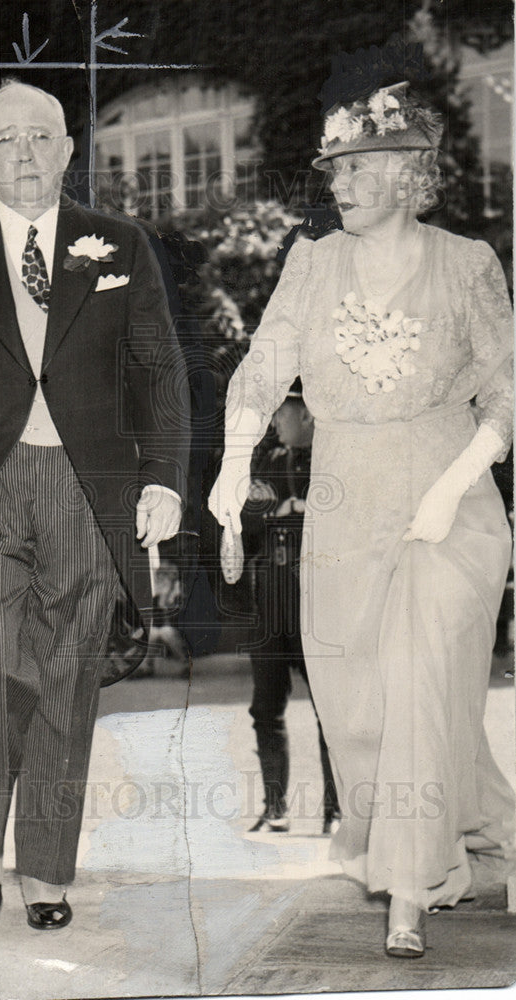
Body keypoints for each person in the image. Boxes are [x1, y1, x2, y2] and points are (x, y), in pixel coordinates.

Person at [209, 81, 514, 959]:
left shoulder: (466, 264)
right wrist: (232, 461)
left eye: (354, 168)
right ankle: (489, 824)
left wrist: (451, 483)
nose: (336, 184)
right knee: (361, 712)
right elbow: (264, 368)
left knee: (420, 680)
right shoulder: (311, 263)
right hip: (345, 502)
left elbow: (504, 391)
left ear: (405, 174)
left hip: (443, 497)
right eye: (332, 170)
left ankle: (411, 891)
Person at [0, 81, 189, 929]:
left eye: (39, 137)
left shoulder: (119, 243)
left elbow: (159, 369)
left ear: (66, 150)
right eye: (4, 140)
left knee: (65, 681)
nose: (23, 153)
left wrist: (163, 477)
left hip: (90, 492)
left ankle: (47, 872)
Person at [242, 395, 339, 834]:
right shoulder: (266, 465)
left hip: (319, 610)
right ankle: (275, 807)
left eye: (282, 413)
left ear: (306, 415)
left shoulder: (333, 463)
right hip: (273, 607)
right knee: (265, 709)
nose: (275, 421)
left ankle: (335, 811)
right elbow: (244, 525)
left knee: (330, 711)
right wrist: (270, 514)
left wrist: (306, 514)